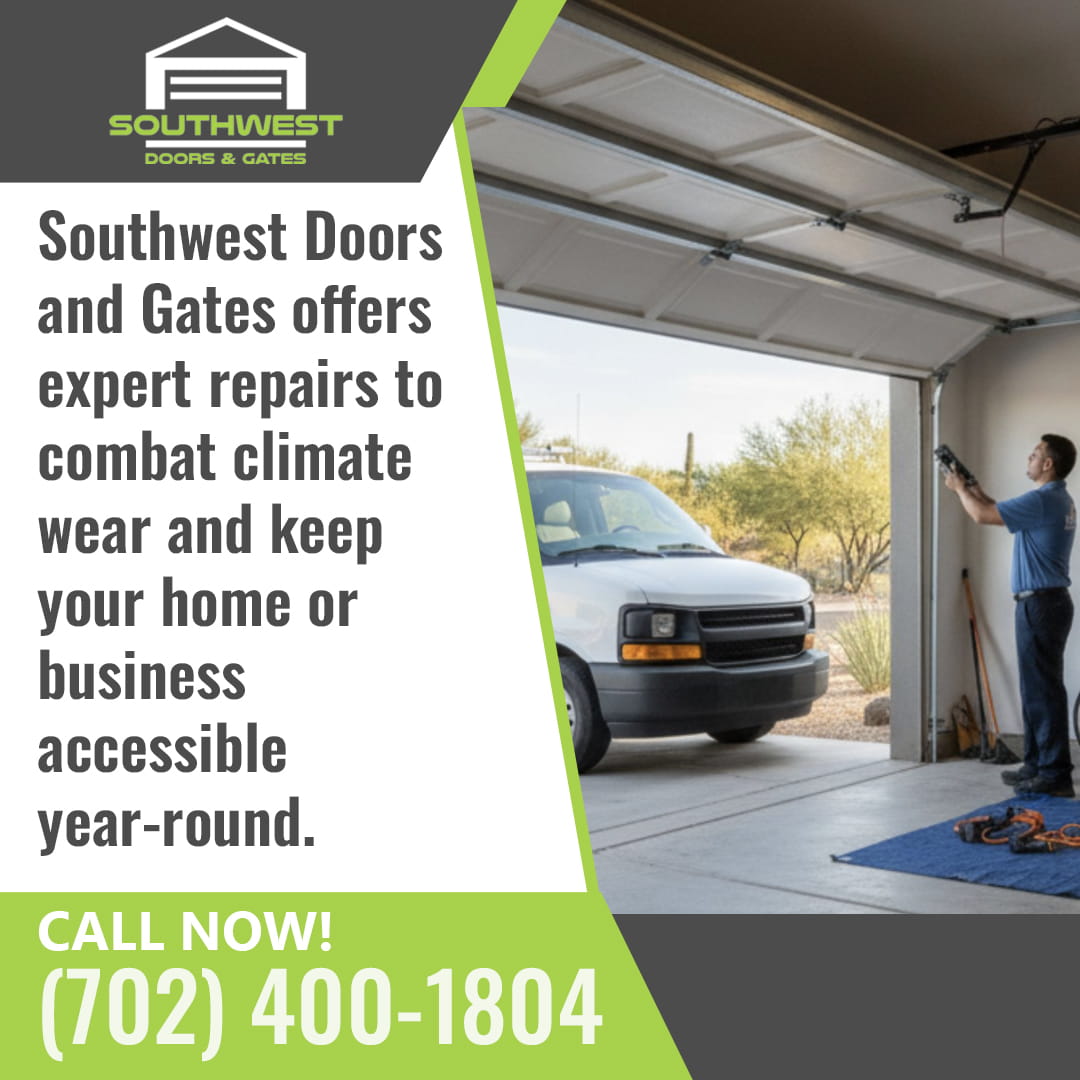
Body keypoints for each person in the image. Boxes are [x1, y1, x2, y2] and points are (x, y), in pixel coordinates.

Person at [945, 435, 1077, 796]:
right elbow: (996, 506)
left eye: (1036, 454)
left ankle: (1054, 775)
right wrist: (975, 487)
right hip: (1045, 603)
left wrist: (959, 490)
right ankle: (1036, 765)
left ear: (1048, 465)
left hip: (1040, 604)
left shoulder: (1043, 499)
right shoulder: (1054, 499)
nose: (1030, 457)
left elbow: (982, 515)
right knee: (1036, 688)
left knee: (1042, 691)